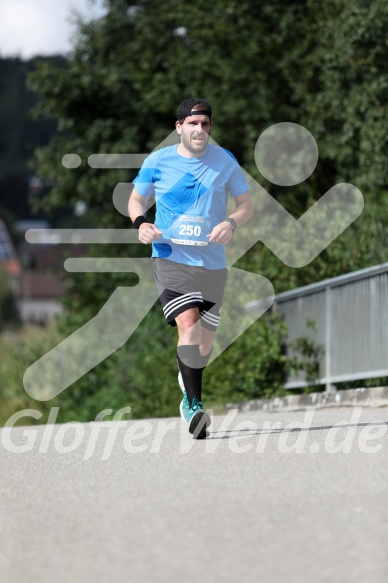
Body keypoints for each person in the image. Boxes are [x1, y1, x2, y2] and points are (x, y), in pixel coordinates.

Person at [128, 98, 252, 438]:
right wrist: (141, 223)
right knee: (190, 325)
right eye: (193, 124)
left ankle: (188, 376)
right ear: (179, 127)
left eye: (205, 124)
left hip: (212, 262)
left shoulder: (225, 161)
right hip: (170, 257)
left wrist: (231, 223)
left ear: (210, 127)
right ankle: (194, 406)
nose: (200, 130)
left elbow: (245, 205)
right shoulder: (158, 161)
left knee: (204, 345)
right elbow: (136, 199)